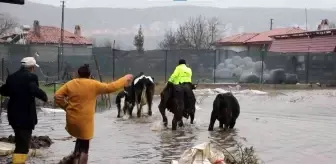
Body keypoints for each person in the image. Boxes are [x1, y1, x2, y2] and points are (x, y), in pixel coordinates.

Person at [54, 64, 133, 163]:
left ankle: (73, 157)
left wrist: (66, 107)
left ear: (78, 74)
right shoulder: (93, 84)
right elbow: (110, 87)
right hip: (85, 122)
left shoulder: (71, 83)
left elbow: (57, 96)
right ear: (89, 74)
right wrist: (124, 79)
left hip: (72, 120)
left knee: (79, 139)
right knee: (85, 148)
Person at [0, 57, 48, 163]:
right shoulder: (31, 77)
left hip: (13, 113)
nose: (34, 69)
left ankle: (18, 161)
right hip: (25, 115)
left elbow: (5, 91)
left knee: (19, 140)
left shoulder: (12, 77)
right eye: (34, 67)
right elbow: (33, 89)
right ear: (31, 67)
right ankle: (18, 162)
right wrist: (44, 96)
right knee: (23, 145)